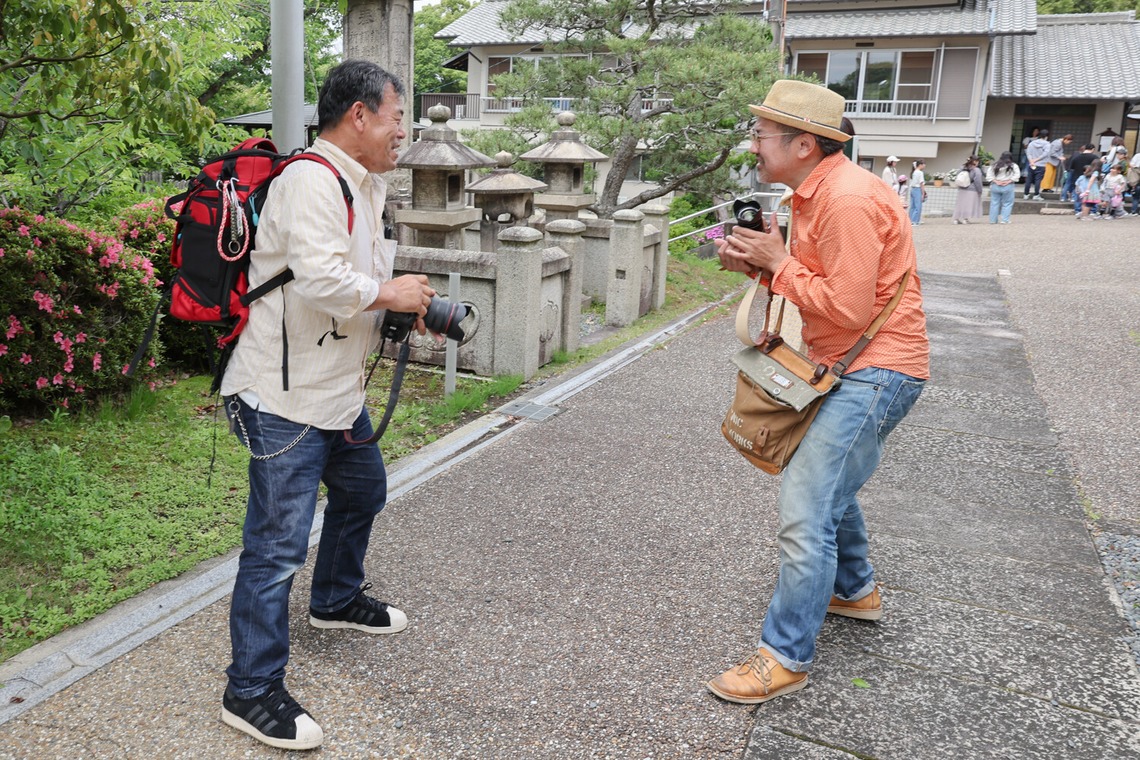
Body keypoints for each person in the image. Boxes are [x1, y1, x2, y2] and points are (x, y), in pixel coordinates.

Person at [217, 60, 438, 751]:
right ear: (360, 116)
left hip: (335, 393)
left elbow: (357, 281)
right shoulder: (311, 179)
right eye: (398, 116)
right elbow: (320, 279)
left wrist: (401, 307)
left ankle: (336, 598)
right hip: (283, 397)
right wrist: (389, 294)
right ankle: (249, 691)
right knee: (276, 547)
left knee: (363, 491)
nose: (404, 129)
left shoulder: (362, 186)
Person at [708, 79, 929, 706]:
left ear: (803, 144)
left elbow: (851, 306)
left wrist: (779, 265)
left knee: (806, 506)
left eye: (761, 135)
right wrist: (758, 261)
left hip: (877, 368)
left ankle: (785, 656)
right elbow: (819, 282)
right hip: (851, 365)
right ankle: (854, 591)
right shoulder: (812, 193)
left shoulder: (849, 200)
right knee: (829, 483)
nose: (753, 145)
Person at [986, 151, 1020, 224]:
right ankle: (1004, 220)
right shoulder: (1013, 165)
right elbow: (1017, 175)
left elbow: (989, 176)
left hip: (995, 185)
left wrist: (996, 181)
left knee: (994, 203)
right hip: (1008, 186)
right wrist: (1009, 181)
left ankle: (993, 220)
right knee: (1007, 203)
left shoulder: (994, 165)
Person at [952, 156, 984, 224]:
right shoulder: (976, 170)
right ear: (975, 161)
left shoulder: (962, 168)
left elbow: (958, 176)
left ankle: (956, 219)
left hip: (962, 188)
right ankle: (965, 219)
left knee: (960, 204)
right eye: (978, 161)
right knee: (968, 205)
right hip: (972, 189)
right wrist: (980, 190)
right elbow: (978, 181)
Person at [1064, 144, 1097, 209]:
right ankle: (1091, 210)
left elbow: (1072, 167)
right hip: (1090, 178)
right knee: (1090, 195)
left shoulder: (1077, 157)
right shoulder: (1094, 157)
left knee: (1078, 195)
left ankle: (1078, 210)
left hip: (1078, 177)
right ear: (1092, 149)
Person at [1024, 129, 1051, 200]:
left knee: (1028, 180)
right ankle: (1036, 195)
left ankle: (1026, 194)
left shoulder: (1032, 143)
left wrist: (1031, 161)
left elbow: (1028, 153)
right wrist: (1036, 160)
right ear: (1046, 136)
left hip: (1032, 164)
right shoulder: (1047, 144)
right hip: (1041, 165)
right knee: (1038, 180)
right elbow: (1045, 154)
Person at [908, 159, 927, 225]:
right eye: (924, 164)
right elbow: (921, 183)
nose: (925, 165)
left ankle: (910, 220)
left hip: (913, 189)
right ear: (920, 165)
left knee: (912, 206)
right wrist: (923, 193)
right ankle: (915, 221)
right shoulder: (920, 172)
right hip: (917, 189)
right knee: (918, 206)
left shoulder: (914, 172)